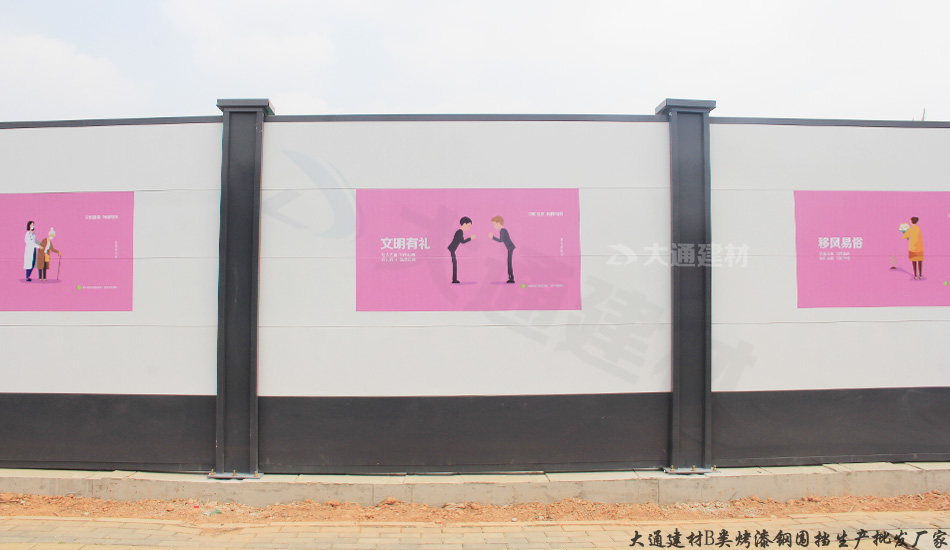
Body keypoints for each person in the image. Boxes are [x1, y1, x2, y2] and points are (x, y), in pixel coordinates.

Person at [489, 215, 516, 283]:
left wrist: (492, 237)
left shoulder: (503, 230)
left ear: (498, 223)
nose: (494, 226)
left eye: (494, 224)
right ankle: (511, 278)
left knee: (509, 263)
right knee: (509, 263)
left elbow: (501, 240)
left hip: (510, 248)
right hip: (510, 247)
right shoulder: (503, 230)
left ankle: (511, 278)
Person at [447, 217, 474, 283]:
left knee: (455, 263)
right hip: (452, 249)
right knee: (454, 264)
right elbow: (462, 241)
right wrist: (471, 238)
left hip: (452, 249)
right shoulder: (460, 232)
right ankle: (454, 279)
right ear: (464, 224)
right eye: (468, 226)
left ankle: (454, 279)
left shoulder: (459, 231)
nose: (469, 228)